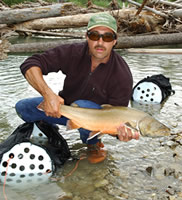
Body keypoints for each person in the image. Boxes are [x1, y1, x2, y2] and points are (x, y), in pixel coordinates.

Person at [15, 13, 139, 164]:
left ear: (114, 41)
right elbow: (30, 64)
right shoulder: (73, 52)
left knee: (83, 105)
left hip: (94, 120)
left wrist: (120, 134)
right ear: (86, 37)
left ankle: (93, 145)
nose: (100, 42)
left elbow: (117, 115)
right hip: (63, 109)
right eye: (94, 36)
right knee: (23, 108)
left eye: (107, 37)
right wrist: (48, 95)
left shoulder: (122, 74)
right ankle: (50, 129)